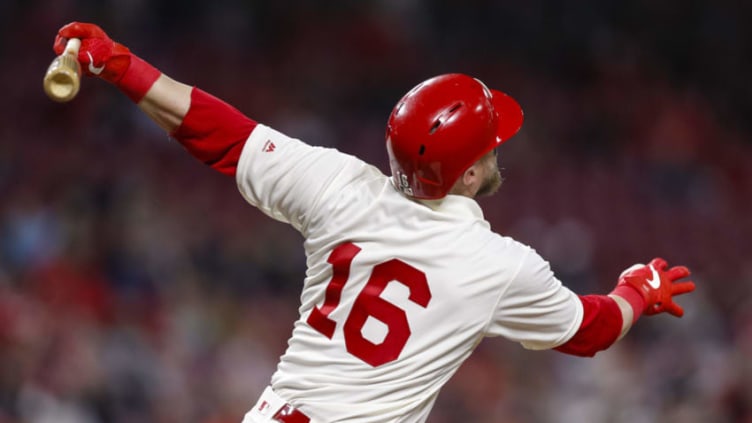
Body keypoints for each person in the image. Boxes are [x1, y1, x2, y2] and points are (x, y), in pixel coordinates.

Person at [51, 22, 696, 423]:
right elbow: (591, 330)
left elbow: (218, 134)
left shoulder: (340, 188)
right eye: (490, 145)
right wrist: (637, 290)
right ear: (468, 177)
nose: (498, 150)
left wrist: (119, 65)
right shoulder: (499, 265)